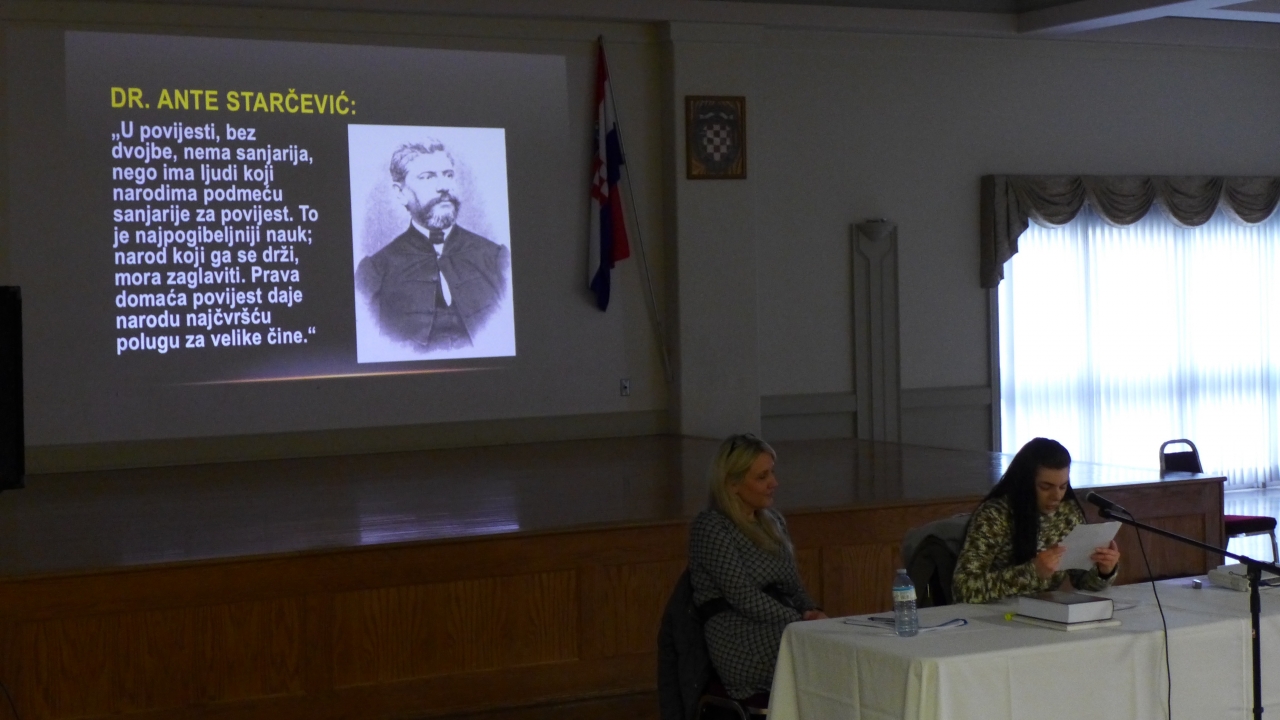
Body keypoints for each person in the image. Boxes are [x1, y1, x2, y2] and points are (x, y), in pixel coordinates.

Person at [688, 434, 826, 703]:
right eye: (762, 477)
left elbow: (793, 586)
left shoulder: (773, 521)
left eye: (772, 473)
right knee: (821, 657)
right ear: (733, 484)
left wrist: (813, 612)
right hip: (739, 634)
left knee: (839, 645)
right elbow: (743, 596)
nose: (774, 483)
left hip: (781, 624)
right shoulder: (711, 527)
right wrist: (798, 622)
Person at [356, 140, 509, 351]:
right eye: (427, 177)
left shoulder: (496, 259)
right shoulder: (375, 272)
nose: (444, 186)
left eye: (448, 175)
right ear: (400, 193)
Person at [952, 437, 1121, 604]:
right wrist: (1032, 572)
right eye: (1045, 487)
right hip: (992, 613)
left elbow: (1081, 580)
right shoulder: (995, 515)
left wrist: (1104, 571)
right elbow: (963, 590)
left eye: (1063, 486)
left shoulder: (1067, 513)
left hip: (1045, 611)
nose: (1057, 496)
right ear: (1026, 483)